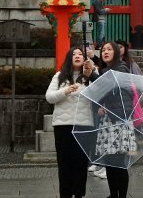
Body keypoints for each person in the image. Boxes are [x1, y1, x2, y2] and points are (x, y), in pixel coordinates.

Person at [83, 41, 133, 198]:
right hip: (109, 119)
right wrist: (100, 104)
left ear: (116, 53)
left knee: (120, 162)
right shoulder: (106, 70)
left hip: (120, 119)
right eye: (103, 49)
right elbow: (103, 91)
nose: (105, 52)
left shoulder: (121, 67)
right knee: (110, 161)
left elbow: (109, 84)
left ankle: (122, 196)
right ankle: (113, 194)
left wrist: (91, 74)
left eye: (109, 49)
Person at [46, 47, 93, 198]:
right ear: (68, 58)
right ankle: (65, 194)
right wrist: (65, 91)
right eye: (74, 54)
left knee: (80, 163)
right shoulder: (59, 76)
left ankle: (79, 194)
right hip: (63, 126)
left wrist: (90, 74)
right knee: (64, 164)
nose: (77, 56)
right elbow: (49, 97)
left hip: (83, 126)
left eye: (80, 54)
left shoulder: (89, 77)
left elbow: (99, 97)